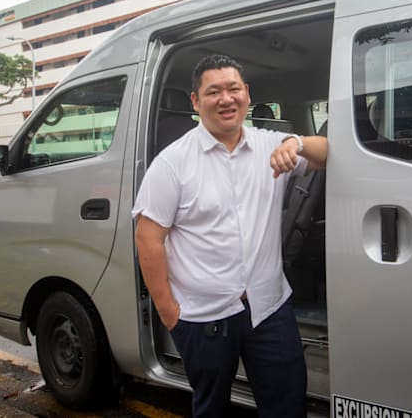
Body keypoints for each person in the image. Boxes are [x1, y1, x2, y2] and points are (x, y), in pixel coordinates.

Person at [132, 54, 328, 417]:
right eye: (213, 92)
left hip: (268, 308)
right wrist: (169, 313)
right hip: (203, 316)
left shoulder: (270, 145)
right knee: (212, 409)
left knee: (287, 405)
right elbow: (148, 238)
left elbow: (327, 154)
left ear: (247, 94)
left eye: (233, 89)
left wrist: (296, 143)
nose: (226, 99)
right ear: (196, 101)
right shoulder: (172, 162)